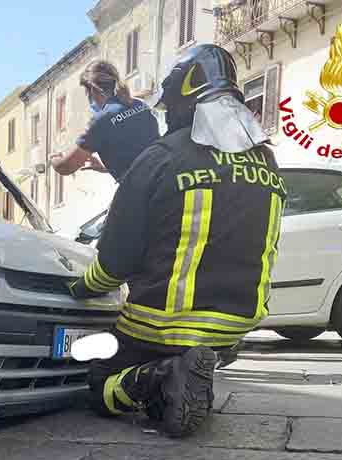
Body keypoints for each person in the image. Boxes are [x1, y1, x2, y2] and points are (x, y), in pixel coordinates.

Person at [68, 44, 286, 437]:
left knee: (99, 383)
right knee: (182, 360)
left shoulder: (162, 156)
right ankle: (179, 380)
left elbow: (114, 262)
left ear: (182, 100)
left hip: (163, 322)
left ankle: (159, 375)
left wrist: (79, 287)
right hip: (235, 325)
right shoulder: (267, 162)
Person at [50, 60, 160, 182]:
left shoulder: (101, 120)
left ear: (92, 90)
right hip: (164, 180)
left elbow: (66, 167)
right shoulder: (139, 105)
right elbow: (140, 157)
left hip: (142, 192)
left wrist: (54, 158)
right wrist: (105, 167)